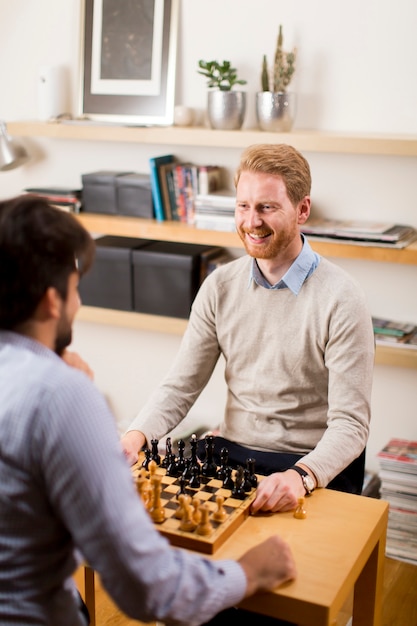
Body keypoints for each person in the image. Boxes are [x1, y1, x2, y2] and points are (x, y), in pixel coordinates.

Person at [0, 195, 296, 626]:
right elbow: (151, 590)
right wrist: (248, 572)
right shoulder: (60, 396)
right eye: (75, 288)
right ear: (51, 301)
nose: (78, 303)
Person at [122, 143, 375, 515]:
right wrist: (134, 437)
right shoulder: (219, 286)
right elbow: (181, 386)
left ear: (302, 209)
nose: (251, 221)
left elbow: (351, 425)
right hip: (235, 452)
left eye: (267, 207)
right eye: (244, 206)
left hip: (310, 465)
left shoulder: (342, 298)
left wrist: (301, 476)